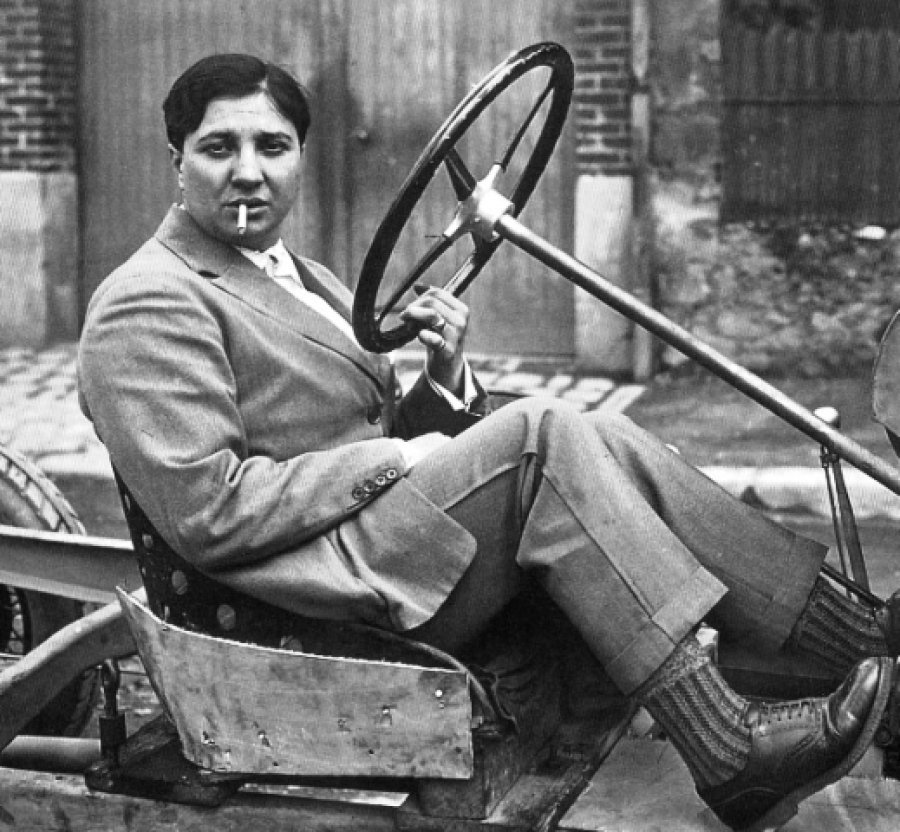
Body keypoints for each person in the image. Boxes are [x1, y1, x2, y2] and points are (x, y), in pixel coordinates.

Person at [77, 53, 899, 832]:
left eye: (272, 146)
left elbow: (362, 428)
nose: (249, 171)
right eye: (219, 148)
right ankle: (728, 745)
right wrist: (398, 460)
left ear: (299, 157)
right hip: (300, 596)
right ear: (176, 161)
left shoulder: (299, 274)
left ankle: (867, 642)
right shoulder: (147, 300)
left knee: (599, 434)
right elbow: (209, 511)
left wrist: (441, 387)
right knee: (540, 434)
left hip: (378, 547)